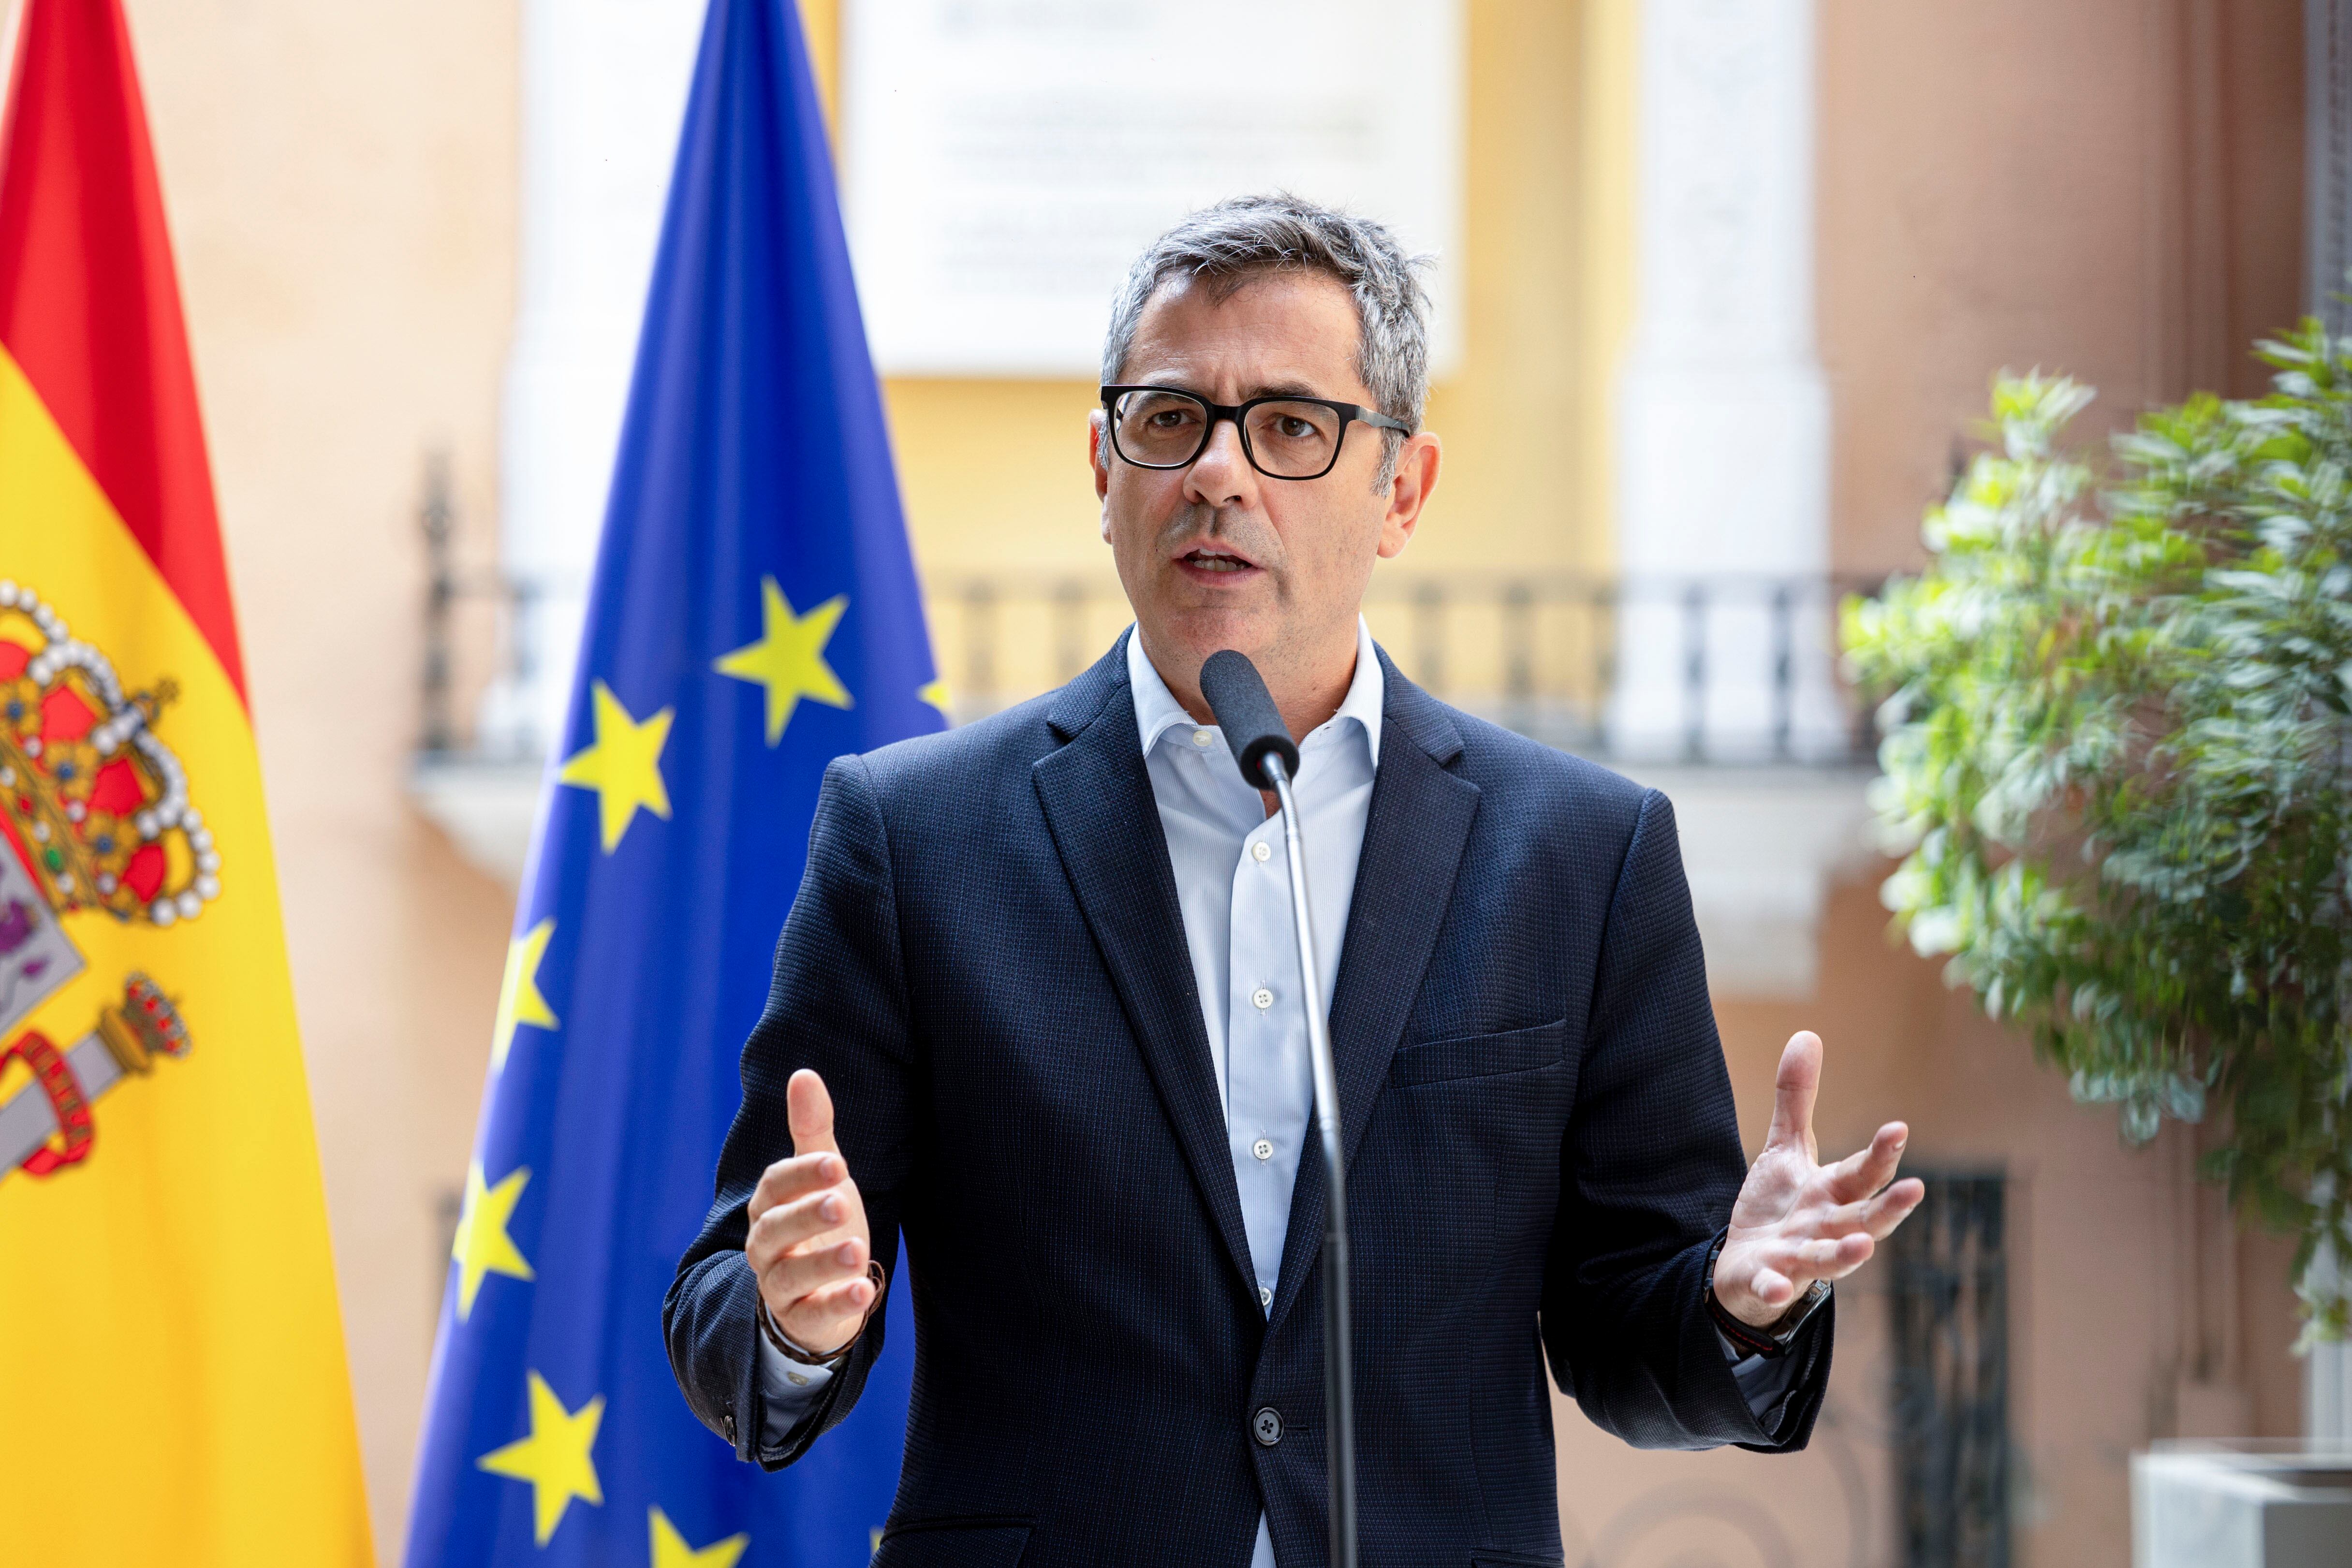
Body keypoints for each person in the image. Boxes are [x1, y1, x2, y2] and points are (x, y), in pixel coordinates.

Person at [665, 194, 1923, 1568]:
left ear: (1404, 489)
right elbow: (729, 1314)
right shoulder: (913, 841)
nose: (1219, 474)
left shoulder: (1580, 852)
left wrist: (1741, 1305)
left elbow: (1633, 1337)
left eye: (1290, 426)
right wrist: (793, 1318)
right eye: (1168, 419)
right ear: (1101, 469)